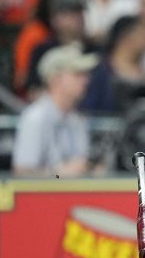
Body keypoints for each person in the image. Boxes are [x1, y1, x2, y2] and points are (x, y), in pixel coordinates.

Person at [12, 44, 99, 177]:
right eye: (77, 74)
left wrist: (91, 171)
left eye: (85, 74)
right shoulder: (35, 117)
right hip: (43, 196)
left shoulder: (77, 119)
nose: (86, 80)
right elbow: (22, 172)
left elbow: (80, 164)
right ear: (55, 79)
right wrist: (58, 174)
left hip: (75, 195)